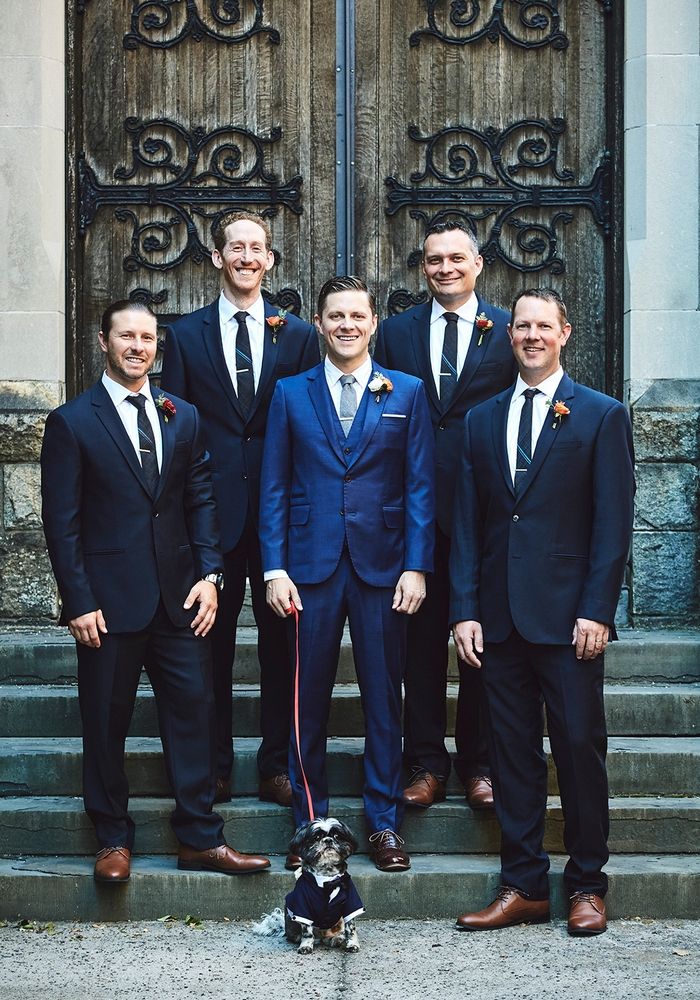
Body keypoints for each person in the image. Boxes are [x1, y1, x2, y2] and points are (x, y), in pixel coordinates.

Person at [40, 300, 270, 882]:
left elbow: (201, 501)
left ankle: (199, 835)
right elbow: (61, 522)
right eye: (127, 336)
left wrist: (211, 576)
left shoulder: (181, 415)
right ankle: (112, 838)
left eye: (147, 338)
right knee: (105, 720)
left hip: (180, 599)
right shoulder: (72, 422)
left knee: (194, 715)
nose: (138, 346)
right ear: (104, 342)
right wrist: (78, 600)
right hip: (108, 605)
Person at [450, 288, 635, 935]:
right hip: (498, 621)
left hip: (569, 624)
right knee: (513, 756)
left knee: (580, 750)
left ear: (565, 333)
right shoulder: (481, 421)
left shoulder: (600, 416)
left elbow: (613, 527)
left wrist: (597, 611)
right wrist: (464, 610)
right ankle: (524, 884)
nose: (531, 335)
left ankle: (587, 885)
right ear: (510, 336)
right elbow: (469, 526)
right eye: (521, 326)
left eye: (542, 326)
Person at [259, 276, 435, 872]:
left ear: (373, 323)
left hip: (384, 567)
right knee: (305, 698)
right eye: (335, 316)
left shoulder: (405, 391)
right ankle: (311, 826)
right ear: (320, 320)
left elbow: (418, 486)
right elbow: (275, 486)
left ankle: (384, 823)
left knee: (385, 697)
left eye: (357, 315)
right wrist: (274, 567)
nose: (346, 325)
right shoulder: (290, 393)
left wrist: (417, 566)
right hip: (308, 568)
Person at [160, 211, 320, 807]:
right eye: (237, 248)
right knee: (210, 649)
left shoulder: (299, 337)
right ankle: (215, 763)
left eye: (258, 248)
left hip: (282, 522)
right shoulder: (185, 334)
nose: (248, 257)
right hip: (211, 521)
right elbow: (175, 432)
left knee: (284, 649)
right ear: (217, 257)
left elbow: (310, 429)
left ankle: (276, 762)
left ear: (270, 260)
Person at [373, 221, 515, 809]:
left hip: (486, 509)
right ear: (422, 267)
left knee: (481, 640)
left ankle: (480, 762)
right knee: (420, 644)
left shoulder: (511, 329)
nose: (445, 268)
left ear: (478, 263)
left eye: (456, 258)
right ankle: (426, 760)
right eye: (434, 260)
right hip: (415, 511)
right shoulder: (397, 333)